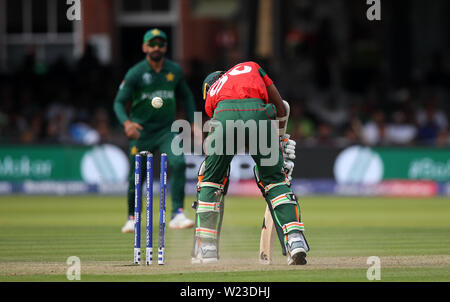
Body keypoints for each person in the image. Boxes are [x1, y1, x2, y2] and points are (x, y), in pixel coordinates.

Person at [191, 61, 309, 265]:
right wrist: (280, 140)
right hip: (260, 114)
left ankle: (207, 246)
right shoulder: (250, 66)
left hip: (225, 118)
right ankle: (295, 240)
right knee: (275, 181)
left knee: (210, 180)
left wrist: (211, 163)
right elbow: (280, 105)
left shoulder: (213, 93)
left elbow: (227, 128)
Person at [113, 28, 196, 233]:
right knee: (136, 177)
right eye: (152, 44)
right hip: (142, 132)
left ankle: (177, 214)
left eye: (160, 44)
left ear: (165, 47)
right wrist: (127, 123)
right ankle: (132, 218)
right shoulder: (136, 73)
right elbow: (118, 102)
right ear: (144, 47)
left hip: (167, 130)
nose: (156, 47)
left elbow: (186, 96)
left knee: (179, 162)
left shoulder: (174, 70)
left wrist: (194, 122)